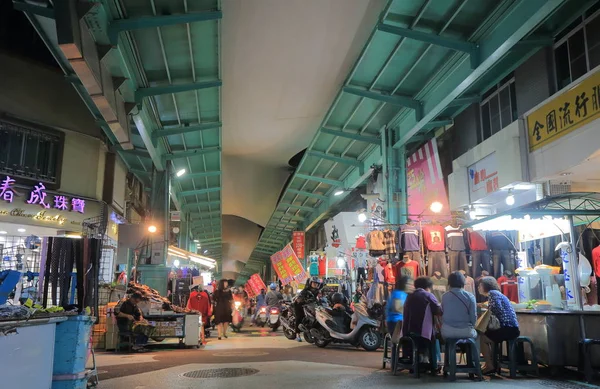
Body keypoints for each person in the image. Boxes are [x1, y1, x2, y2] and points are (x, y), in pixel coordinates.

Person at [478, 276, 520, 374]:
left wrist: (488, 307)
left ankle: (489, 365)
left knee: (482, 338)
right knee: (488, 336)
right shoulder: (497, 294)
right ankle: (491, 364)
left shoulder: (492, 294)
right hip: (511, 328)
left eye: (480, 285)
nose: (478, 288)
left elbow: (497, 308)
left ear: (485, 286)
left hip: (507, 329)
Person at [402, 277, 442, 364]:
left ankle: (417, 361)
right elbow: (438, 310)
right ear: (428, 287)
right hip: (423, 334)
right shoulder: (428, 295)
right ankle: (432, 363)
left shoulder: (409, 296)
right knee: (437, 336)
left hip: (407, 332)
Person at [441, 271, 477, 340]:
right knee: (475, 336)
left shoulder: (444, 296)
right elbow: (473, 316)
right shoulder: (470, 296)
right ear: (463, 282)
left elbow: (443, 313)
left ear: (449, 282)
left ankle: (449, 350)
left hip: (447, 331)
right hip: (466, 331)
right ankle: (471, 350)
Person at [386, 275, 411, 366]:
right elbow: (397, 308)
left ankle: (406, 358)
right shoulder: (398, 293)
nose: (410, 286)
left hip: (399, 322)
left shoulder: (403, 294)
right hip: (396, 323)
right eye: (409, 284)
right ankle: (407, 360)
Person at [294, 277, 322, 342]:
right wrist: (301, 300)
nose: (316, 285)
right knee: (299, 317)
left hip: (311, 306)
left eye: (317, 283)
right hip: (300, 305)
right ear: (310, 283)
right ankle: (297, 334)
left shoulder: (317, 291)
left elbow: (321, 298)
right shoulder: (305, 290)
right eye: (314, 283)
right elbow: (299, 298)